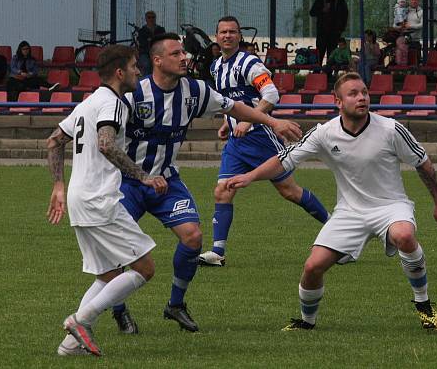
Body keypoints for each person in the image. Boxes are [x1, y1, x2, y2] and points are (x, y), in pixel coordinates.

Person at [223, 72, 437, 331]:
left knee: (405, 235)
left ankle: (423, 303)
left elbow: (424, 164)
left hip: (390, 206)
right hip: (349, 212)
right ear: (338, 102)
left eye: (364, 92)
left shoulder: (391, 129)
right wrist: (249, 176)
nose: (362, 97)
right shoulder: (324, 133)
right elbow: (283, 160)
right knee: (312, 267)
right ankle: (307, 322)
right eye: (353, 94)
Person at [110, 33, 302, 333]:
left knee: (192, 237)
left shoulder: (195, 90)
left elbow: (234, 107)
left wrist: (273, 122)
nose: (184, 57)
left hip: (167, 181)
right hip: (129, 182)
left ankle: (175, 304)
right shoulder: (134, 94)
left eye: (184, 52)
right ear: (158, 60)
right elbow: (105, 135)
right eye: (176, 53)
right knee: (115, 246)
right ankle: (118, 309)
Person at [45, 45, 167, 357]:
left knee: (109, 275)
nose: (138, 72)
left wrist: (59, 185)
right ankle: (80, 321)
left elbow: (54, 140)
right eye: (133, 67)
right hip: (100, 200)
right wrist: (143, 176)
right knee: (145, 267)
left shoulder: (89, 102)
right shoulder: (114, 102)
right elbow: (105, 144)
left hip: (80, 198)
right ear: (119, 72)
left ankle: (70, 347)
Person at [197, 17, 329, 268]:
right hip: (237, 141)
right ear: (216, 36)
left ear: (239, 36)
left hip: (260, 137)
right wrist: (229, 122)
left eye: (232, 32)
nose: (227, 36)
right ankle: (218, 252)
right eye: (223, 32)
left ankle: (334, 228)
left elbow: (271, 93)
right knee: (223, 190)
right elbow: (230, 101)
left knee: (289, 191)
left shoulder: (249, 63)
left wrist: (248, 121)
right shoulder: (216, 67)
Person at [310, 0, 349, 66]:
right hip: (322, 33)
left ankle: (329, 74)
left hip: (334, 33)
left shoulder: (340, 1)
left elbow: (345, 15)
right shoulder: (320, 0)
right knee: (320, 52)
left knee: (331, 54)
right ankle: (317, 72)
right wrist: (322, 10)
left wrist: (341, 29)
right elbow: (312, 12)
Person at [135, 11, 166, 76]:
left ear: (155, 18)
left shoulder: (161, 29)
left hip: (158, 52)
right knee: (146, 65)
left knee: (163, 64)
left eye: (153, 17)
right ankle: (147, 82)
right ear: (146, 19)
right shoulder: (142, 31)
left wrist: (150, 40)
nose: (151, 19)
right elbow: (143, 43)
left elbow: (163, 41)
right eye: (149, 17)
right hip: (145, 53)